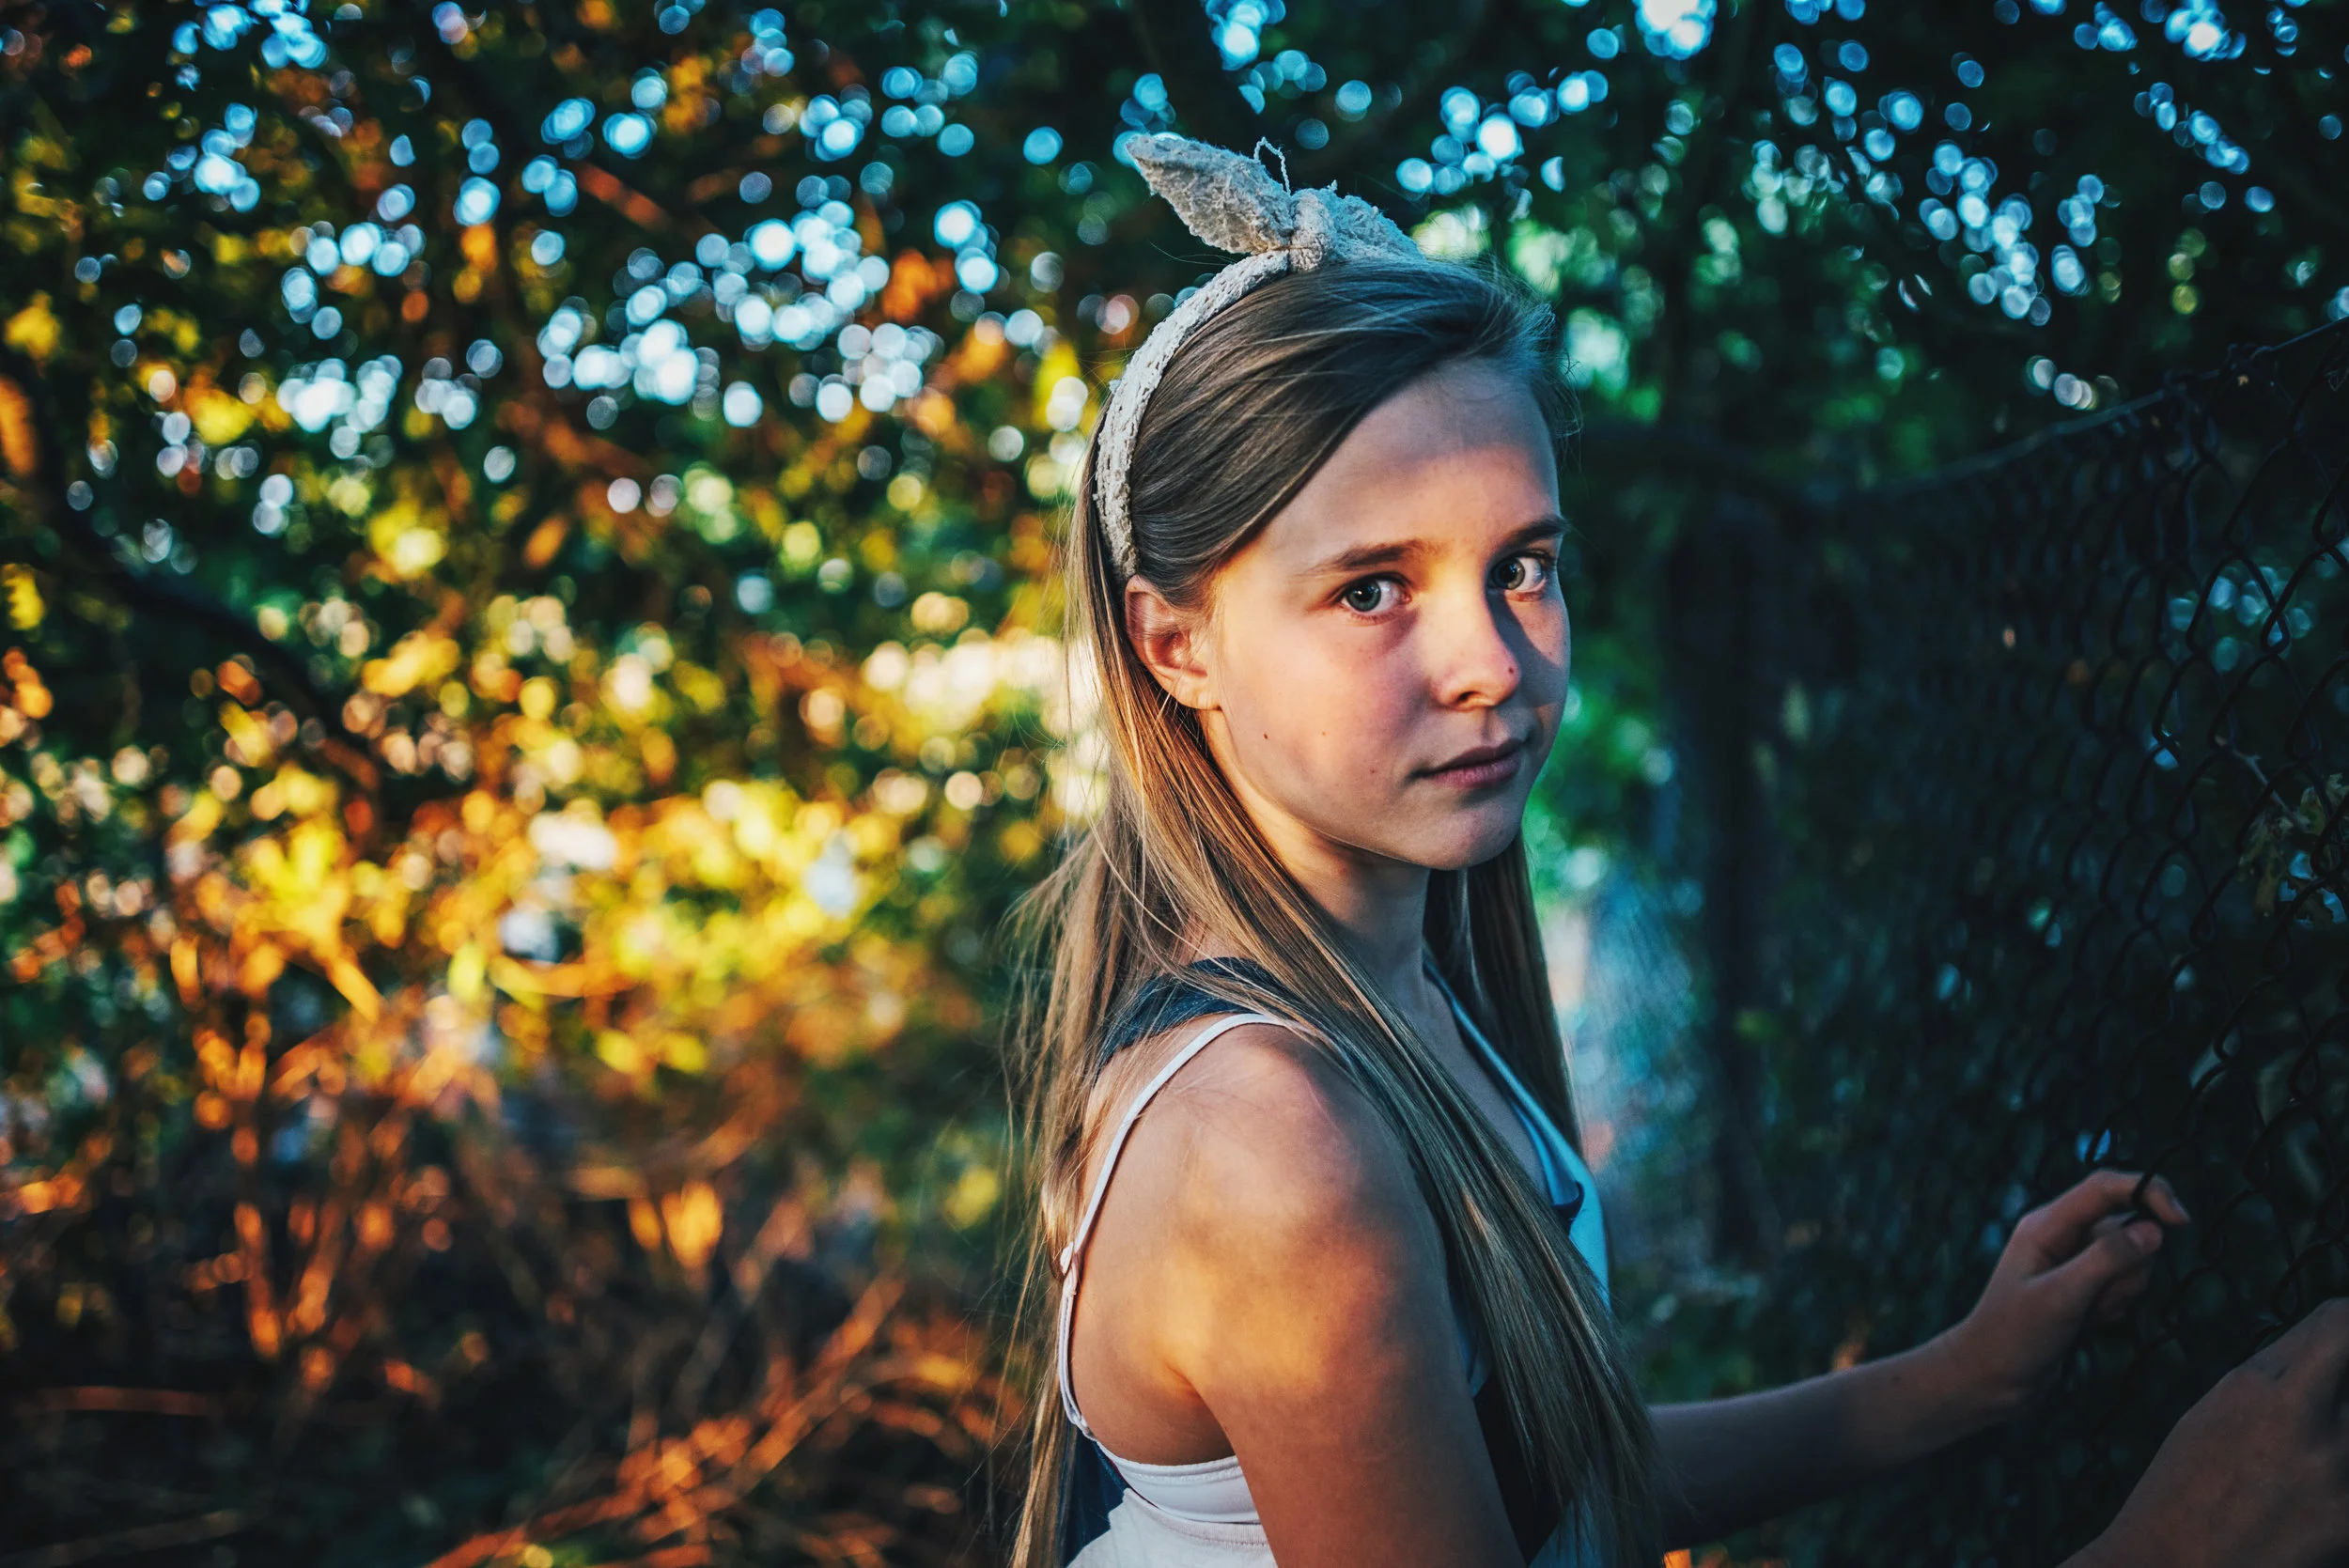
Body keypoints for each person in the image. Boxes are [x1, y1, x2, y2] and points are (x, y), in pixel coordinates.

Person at [1004, 133, 2349, 1568]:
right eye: (1373, 588)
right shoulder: (1276, 1142)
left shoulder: (1379, 994)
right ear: (1176, 644)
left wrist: (1958, 1380)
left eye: (1522, 563)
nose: (1491, 663)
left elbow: (1545, 1488)